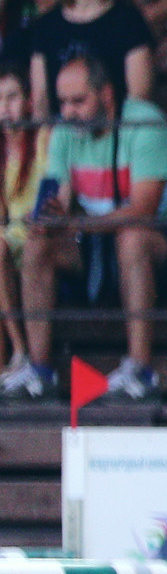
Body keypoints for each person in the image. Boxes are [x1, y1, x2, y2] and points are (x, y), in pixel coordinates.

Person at [11, 51, 167, 402]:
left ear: (105, 94)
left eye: (78, 101)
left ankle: (140, 372)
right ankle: (39, 372)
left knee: (132, 238)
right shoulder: (66, 131)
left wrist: (73, 222)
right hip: (102, 238)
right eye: (62, 102)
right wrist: (47, 216)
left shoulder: (145, 123)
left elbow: (143, 211)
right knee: (38, 245)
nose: (68, 111)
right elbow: (59, 195)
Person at [0, 64, 44, 384]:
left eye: (13, 97)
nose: (6, 108)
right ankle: (16, 353)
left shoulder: (45, 137)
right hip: (10, 236)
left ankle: (22, 354)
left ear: (29, 101)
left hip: (45, 233)